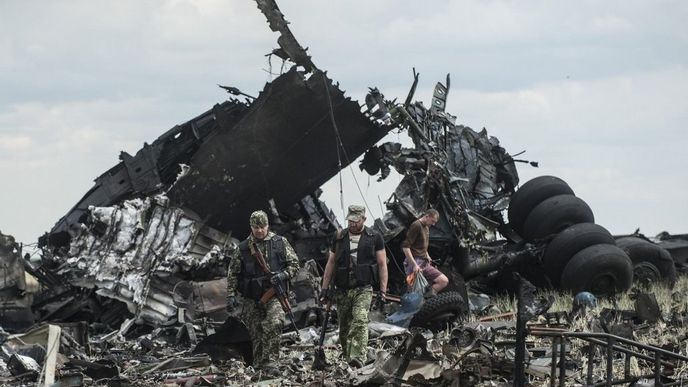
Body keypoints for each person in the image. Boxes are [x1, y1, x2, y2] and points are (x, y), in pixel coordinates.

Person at [226, 210, 300, 372]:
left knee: (274, 324)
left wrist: (282, 275)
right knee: (256, 333)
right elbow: (233, 273)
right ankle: (260, 366)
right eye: (256, 227)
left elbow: (294, 264)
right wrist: (231, 294)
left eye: (262, 227)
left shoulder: (280, 242)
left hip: (274, 294)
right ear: (251, 227)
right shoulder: (243, 248)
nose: (259, 230)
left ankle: (271, 362)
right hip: (251, 298)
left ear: (267, 225)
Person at [320, 205, 388, 368]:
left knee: (359, 319)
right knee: (344, 327)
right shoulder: (339, 237)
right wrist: (324, 289)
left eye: (355, 221)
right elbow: (331, 263)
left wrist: (383, 292)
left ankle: (358, 358)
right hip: (342, 289)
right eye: (350, 220)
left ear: (364, 219)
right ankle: (349, 357)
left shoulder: (374, 237)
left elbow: (382, 264)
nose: (352, 224)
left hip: (363, 288)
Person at [402, 209, 448, 295]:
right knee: (413, 292)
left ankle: (426, 300)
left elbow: (422, 245)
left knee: (443, 280)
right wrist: (414, 265)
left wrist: (427, 255)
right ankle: (415, 304)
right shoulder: (416, 225)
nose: (433, 224)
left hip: (424, 263)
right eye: (432, 221)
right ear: (427, 216)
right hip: (414, 264)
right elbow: (405, 247)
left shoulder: (427, 227)